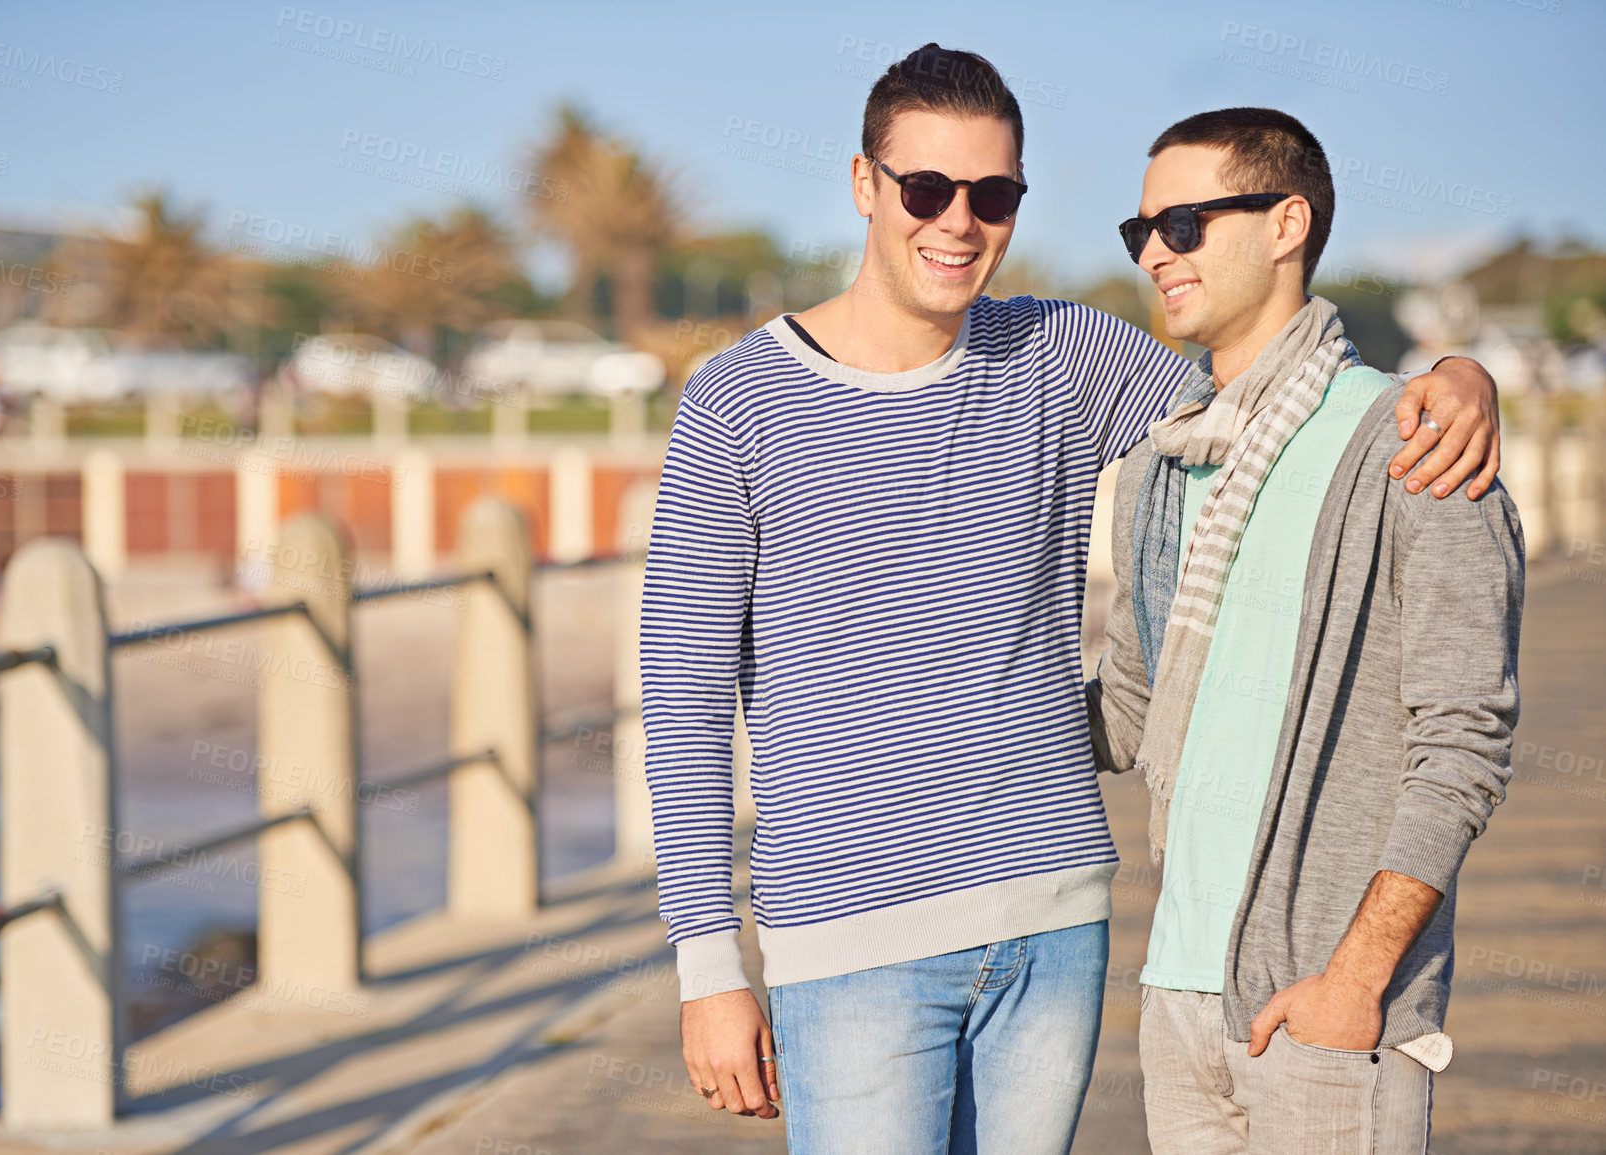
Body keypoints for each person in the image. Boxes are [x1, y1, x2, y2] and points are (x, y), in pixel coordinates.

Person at [642, 45, 1501, 1154]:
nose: (959, 223)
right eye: (926, 189)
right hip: (847, 939)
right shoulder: (737, 401)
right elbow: (684, 697)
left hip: (1054, 923)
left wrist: (1460, 379)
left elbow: (1270, 397)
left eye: (992, 194)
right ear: (865, 186)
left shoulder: (1065, 353)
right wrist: (707, 965)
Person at [1086, 107, 1523, 1153]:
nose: (1154, 250)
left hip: (1329, 1014)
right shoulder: (1163, 465)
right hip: (1179, 998)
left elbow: (1463, 740)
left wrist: (1356, 982)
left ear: (1286, 223)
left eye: (1184, 222)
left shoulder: (1415, 443)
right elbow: (1130, 717)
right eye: (1138, 229)